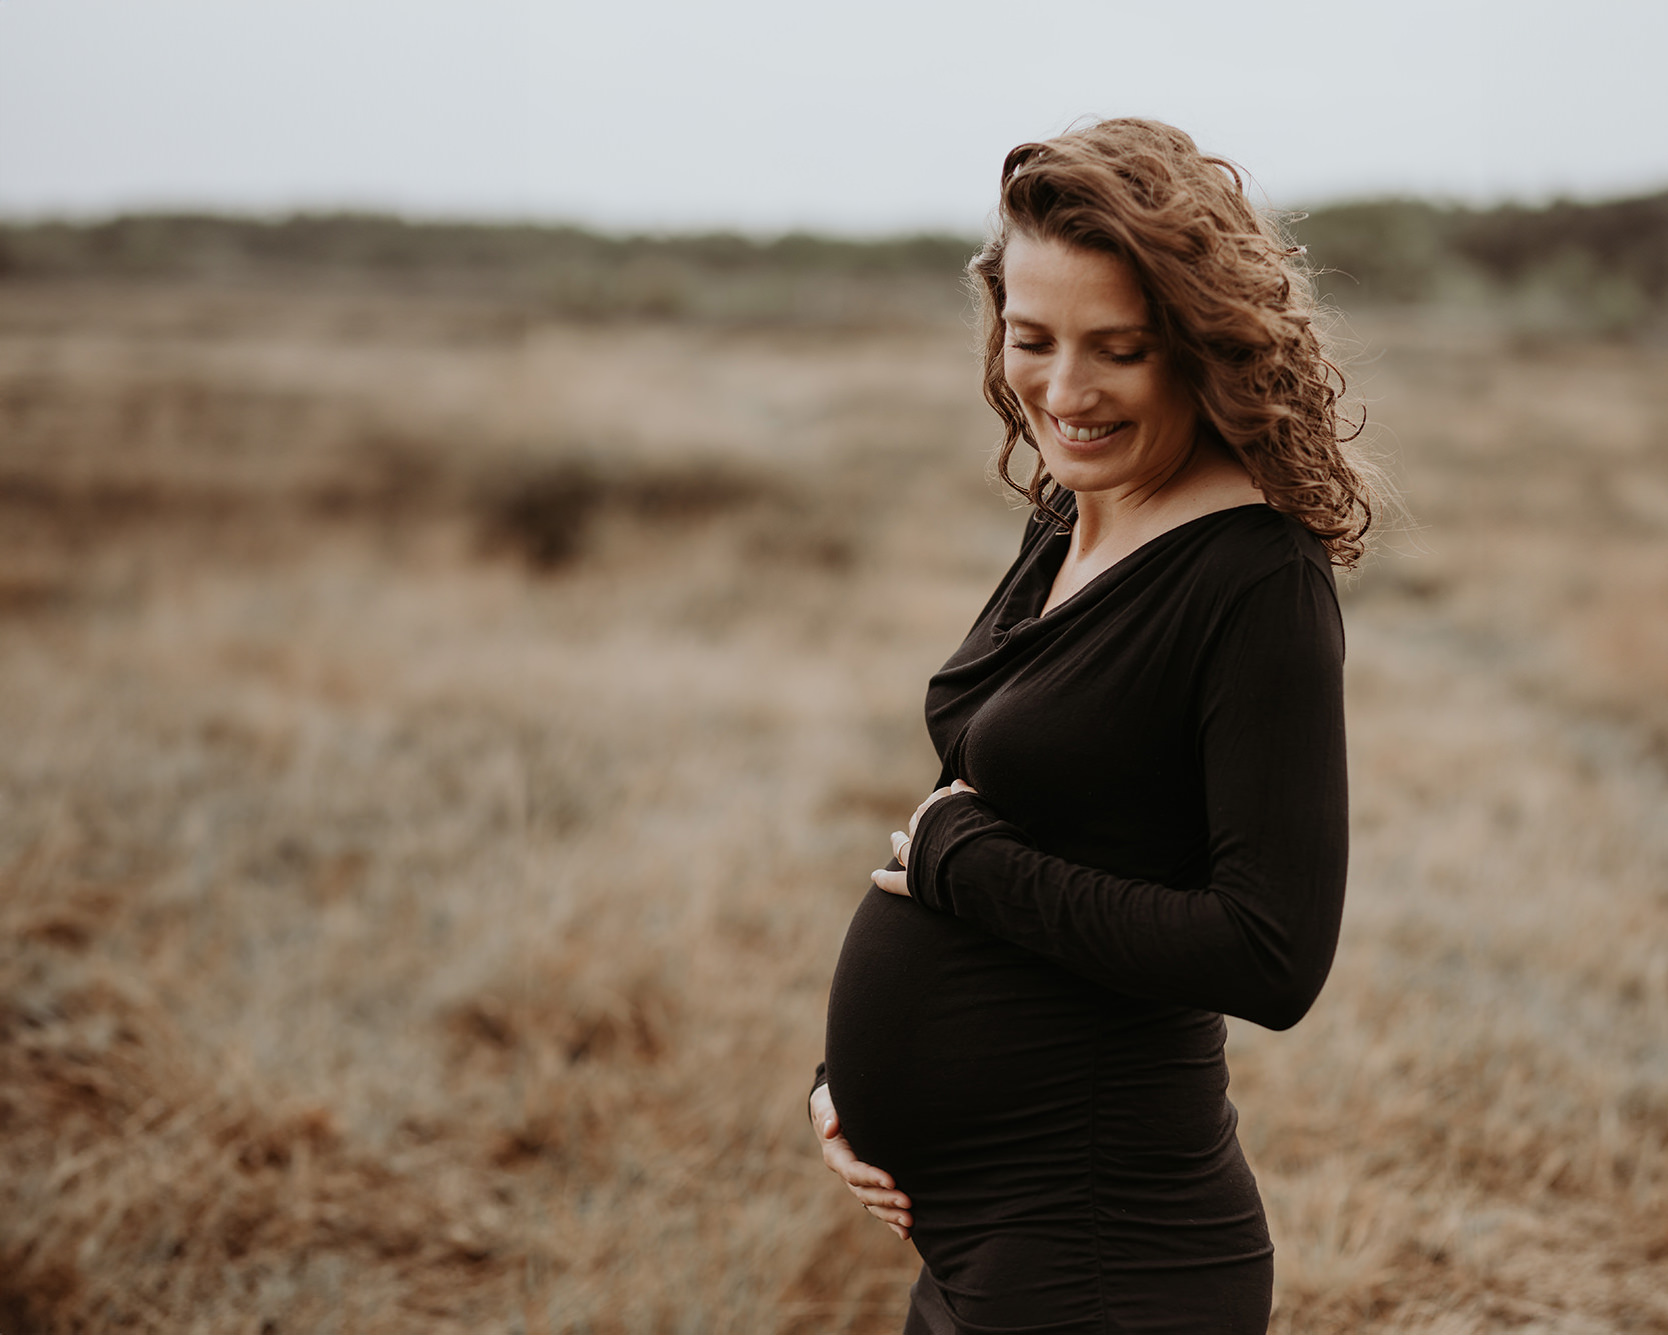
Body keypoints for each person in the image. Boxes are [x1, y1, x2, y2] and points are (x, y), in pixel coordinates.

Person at [807, 118, 1375, 1334]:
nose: (1064, 391)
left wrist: (968, 866)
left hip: (1110, 1255)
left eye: (1118, 349)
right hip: (985, 1238)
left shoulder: (1255, 579)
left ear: (1204, 344)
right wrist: (846, 1085)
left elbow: (1272, 955)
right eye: (1032, 338)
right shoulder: (1073, 515)